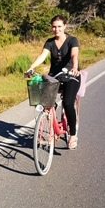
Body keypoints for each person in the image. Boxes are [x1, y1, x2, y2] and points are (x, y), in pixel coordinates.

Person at [25, 14, 81, 150]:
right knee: (45, 102)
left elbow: (74, 54)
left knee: (68, 103)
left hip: (71, 75)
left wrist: (74, 67)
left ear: (65, 26)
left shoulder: (72, 40)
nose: (56, 29)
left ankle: (73, 134)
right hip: (55, 76)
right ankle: (51, 127)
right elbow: (42, 55)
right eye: (54, 27)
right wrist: (31, 67)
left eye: (59, 27)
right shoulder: (50, 42)